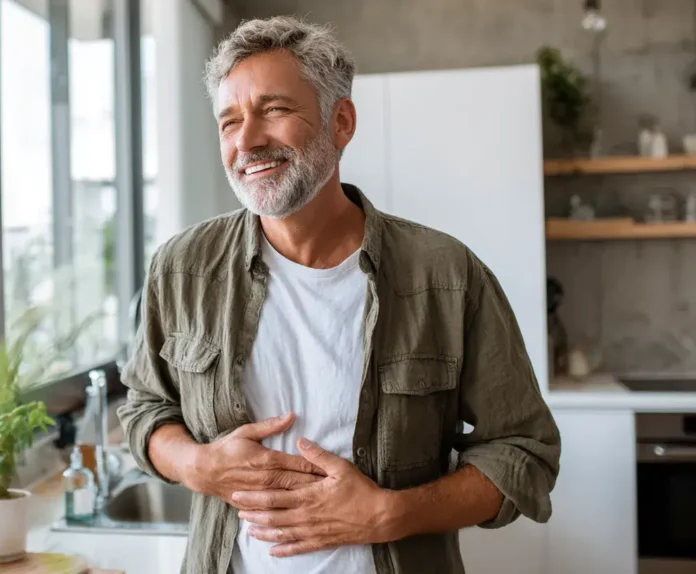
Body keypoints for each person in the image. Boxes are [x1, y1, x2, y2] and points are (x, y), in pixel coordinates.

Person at [117, 15, 560, 574]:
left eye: (275, 110)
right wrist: (196, 465)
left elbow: (524, 451)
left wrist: (390, 514)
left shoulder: (446, 274)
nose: (247, 140)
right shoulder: (182, 269)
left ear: (341, 121)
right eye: (230, 121)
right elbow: (145, 410)